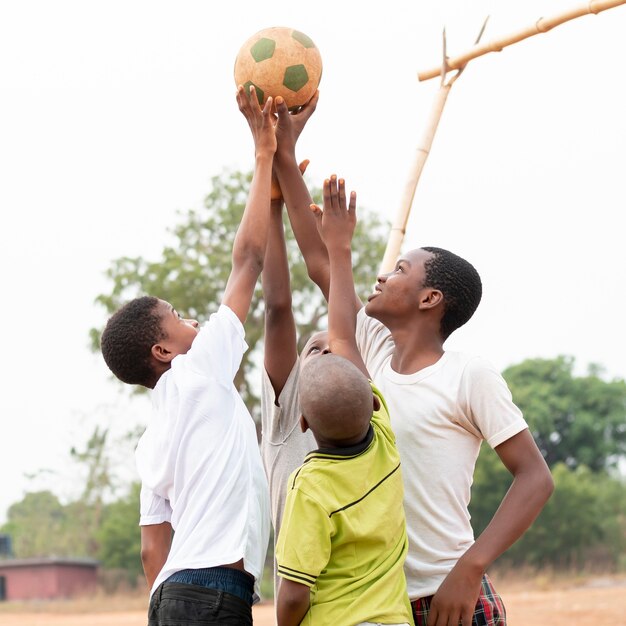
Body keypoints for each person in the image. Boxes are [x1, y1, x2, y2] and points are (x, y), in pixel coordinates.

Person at [99, 85, 277, 626]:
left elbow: (153, 548)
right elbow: (247, 261)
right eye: (178, 316)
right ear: (164, 350)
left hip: (171, 594)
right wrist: (265, 156)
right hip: (215, 590)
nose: (195, 320)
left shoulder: (152, 439)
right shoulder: (198, 370)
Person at [274, 176, 413, 626]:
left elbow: (293, 595)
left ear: (303, 424)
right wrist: (339, 247)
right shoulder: (386, 443)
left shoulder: (310, 487)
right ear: (375, 405)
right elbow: (342, 336)